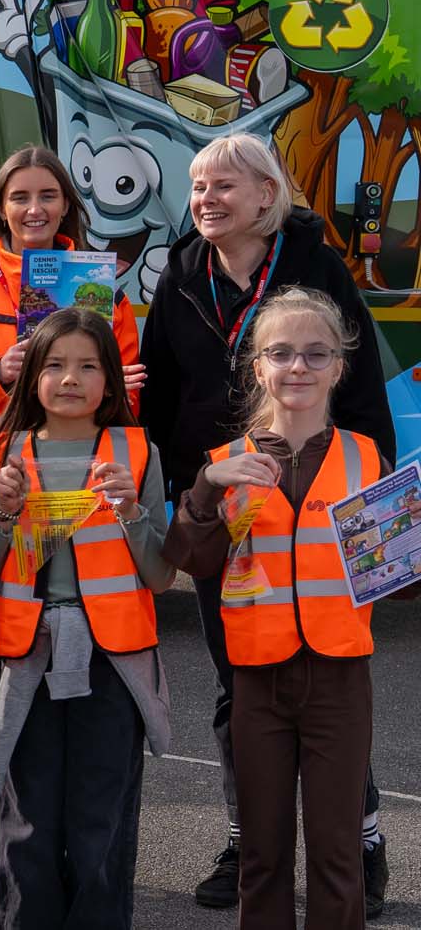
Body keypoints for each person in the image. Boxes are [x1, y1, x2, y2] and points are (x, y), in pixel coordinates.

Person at [139, 133, 397, 913]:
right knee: (234, 687)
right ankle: (245, 835)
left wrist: (368, 495)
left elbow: (359, 393)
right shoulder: (181, 273)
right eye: (195, 186)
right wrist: (179, 488)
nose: (205, 199)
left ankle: (361, 838)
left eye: (222, 185)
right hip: (227, 494)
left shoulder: (316, 269)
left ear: (265, 193)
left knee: (333, 703)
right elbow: (159, 393)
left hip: (318, 493)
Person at [0, 144, 143, 887]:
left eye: (48, 195)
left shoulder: (103, 286)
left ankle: (54, 837)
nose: (34, 209)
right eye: (20, 197)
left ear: (67, 205)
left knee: (62, 681)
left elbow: (127, 398)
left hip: (77, 508)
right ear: (0, 207)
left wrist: (125, 383)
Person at [164, 287, 386, 930]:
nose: (298, 367)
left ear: (339, 368)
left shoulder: (366, 458)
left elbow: (397, 574)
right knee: (261, 855)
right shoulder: (225, 464)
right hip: (256, 677)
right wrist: (204, 491)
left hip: (341, 676)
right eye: (281, 353)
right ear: (256, 366)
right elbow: (190, 558)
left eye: (316, 354)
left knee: (338, 855)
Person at [0, 308, 173, 929]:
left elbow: (161, 574)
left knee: (99, 820)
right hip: (31, 657)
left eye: (88, 365)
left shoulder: (138, 452)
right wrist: (2, 517)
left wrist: (133, 511)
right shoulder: (6, 452)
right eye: (54, 364)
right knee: (27, 822)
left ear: (111, 380)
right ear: (31, 377)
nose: (70, 378)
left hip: (112, 664)